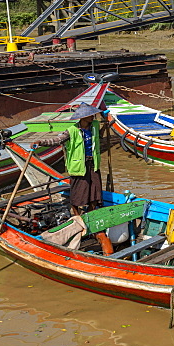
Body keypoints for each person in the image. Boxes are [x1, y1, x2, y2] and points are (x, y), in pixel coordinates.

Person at [64, 103, 113, 255]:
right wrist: (41, 143)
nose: (93, 117)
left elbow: (101, 133)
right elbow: (59, 139)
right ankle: (77, 216)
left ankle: (90, 214)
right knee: (79, 192)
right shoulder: (72, 130)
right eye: (91, 115)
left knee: (94, 190)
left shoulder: (94, 126)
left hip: (93, 163)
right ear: (84, 117)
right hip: (79, 166)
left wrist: (107, 122)